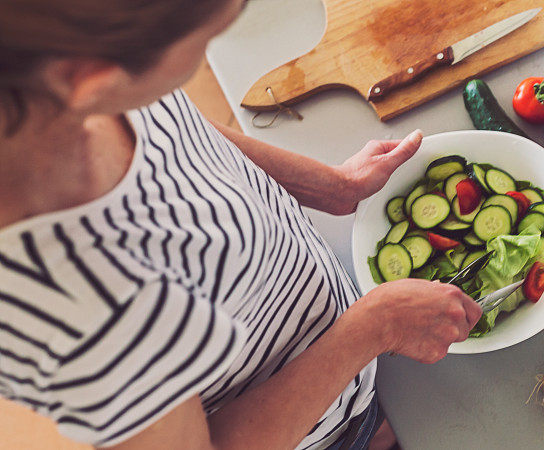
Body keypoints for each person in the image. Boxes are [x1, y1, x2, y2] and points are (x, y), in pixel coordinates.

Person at [0, 0, 482, 448]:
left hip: (340, 337)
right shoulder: (85, 314)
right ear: (96, 80)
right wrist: (371, 329)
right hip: (313, 422)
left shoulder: (62, 87)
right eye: (202, 43)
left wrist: (328, 185)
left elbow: (182, 123)